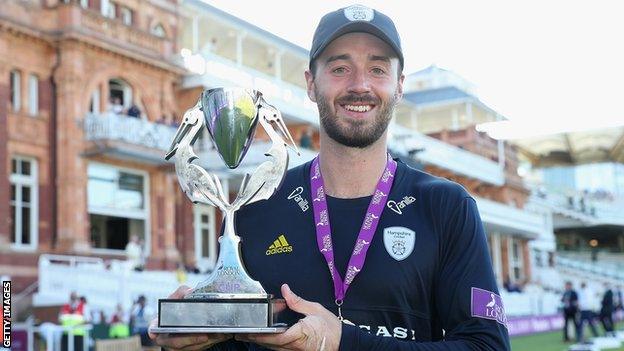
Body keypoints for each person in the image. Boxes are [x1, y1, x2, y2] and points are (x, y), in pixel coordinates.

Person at [151, 4, 510, 350]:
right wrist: (196, 343)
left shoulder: (446, 207)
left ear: (399, 85)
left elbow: (487, 346)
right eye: (339, 68)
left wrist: (342, 342)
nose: (359, 85)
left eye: (378, 69)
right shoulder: (259, 205)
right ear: (311, 83)